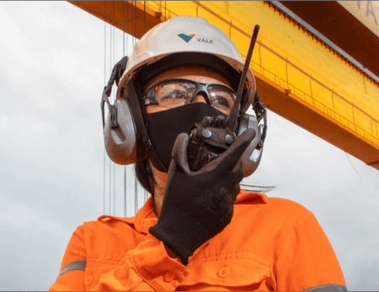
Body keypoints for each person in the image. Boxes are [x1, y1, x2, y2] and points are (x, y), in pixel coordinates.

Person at [50, 16, 347, 291]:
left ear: (243, 126)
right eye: (176, 92)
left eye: (221, 98)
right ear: (132, 122)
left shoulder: (289, 226)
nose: (203, 107)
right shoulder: (92, 242)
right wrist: (173, 237)